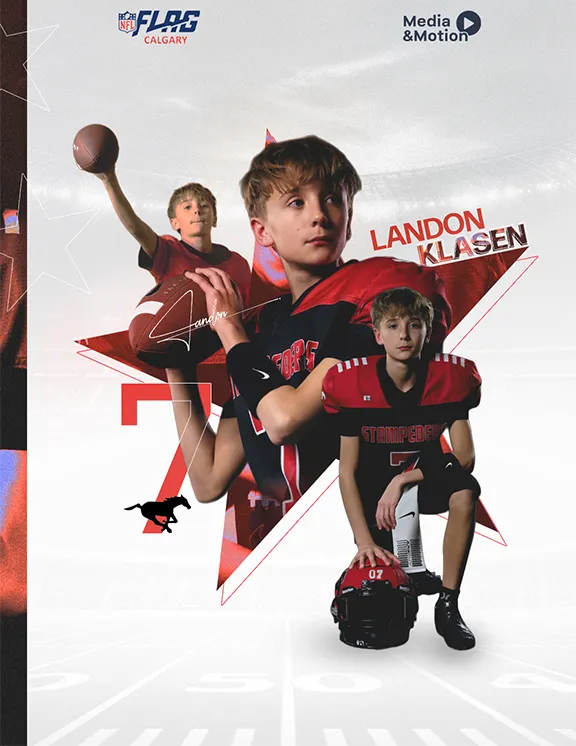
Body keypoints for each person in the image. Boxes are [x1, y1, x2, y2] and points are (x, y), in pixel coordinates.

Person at [167, 135, 452, 593]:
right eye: (296, 202)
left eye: (332, 199)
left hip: (380, 552)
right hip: (290, 549)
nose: (319, 214)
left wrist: (228, 332)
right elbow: (207, 479)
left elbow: (284, 420)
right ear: (262, 231)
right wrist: (173, 363)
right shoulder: (260, 332)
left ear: (349, 218)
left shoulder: (373, 298)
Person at [321, 287, 481, 649]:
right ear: (377, 335)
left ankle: (448, 603)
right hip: (376, 492)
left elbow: (465, 458)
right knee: (385, 581)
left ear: (428, 332)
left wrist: (406, 478)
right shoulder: (351, 383)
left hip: (424, 476)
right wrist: (362, 540)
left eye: (413, 325)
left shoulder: (450, 379)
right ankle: (414, 577)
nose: (404, 335)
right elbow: (347, 471)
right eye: (392, 326)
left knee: (466, 491)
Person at [93, 167, 251, 303]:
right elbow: (136, 228)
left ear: (214, 219)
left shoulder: (238, 263)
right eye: (187, 207)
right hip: (183, 337)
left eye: (204, 205)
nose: (197, 210)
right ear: (174, 223)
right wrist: (109, 181)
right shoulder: (168, 251)